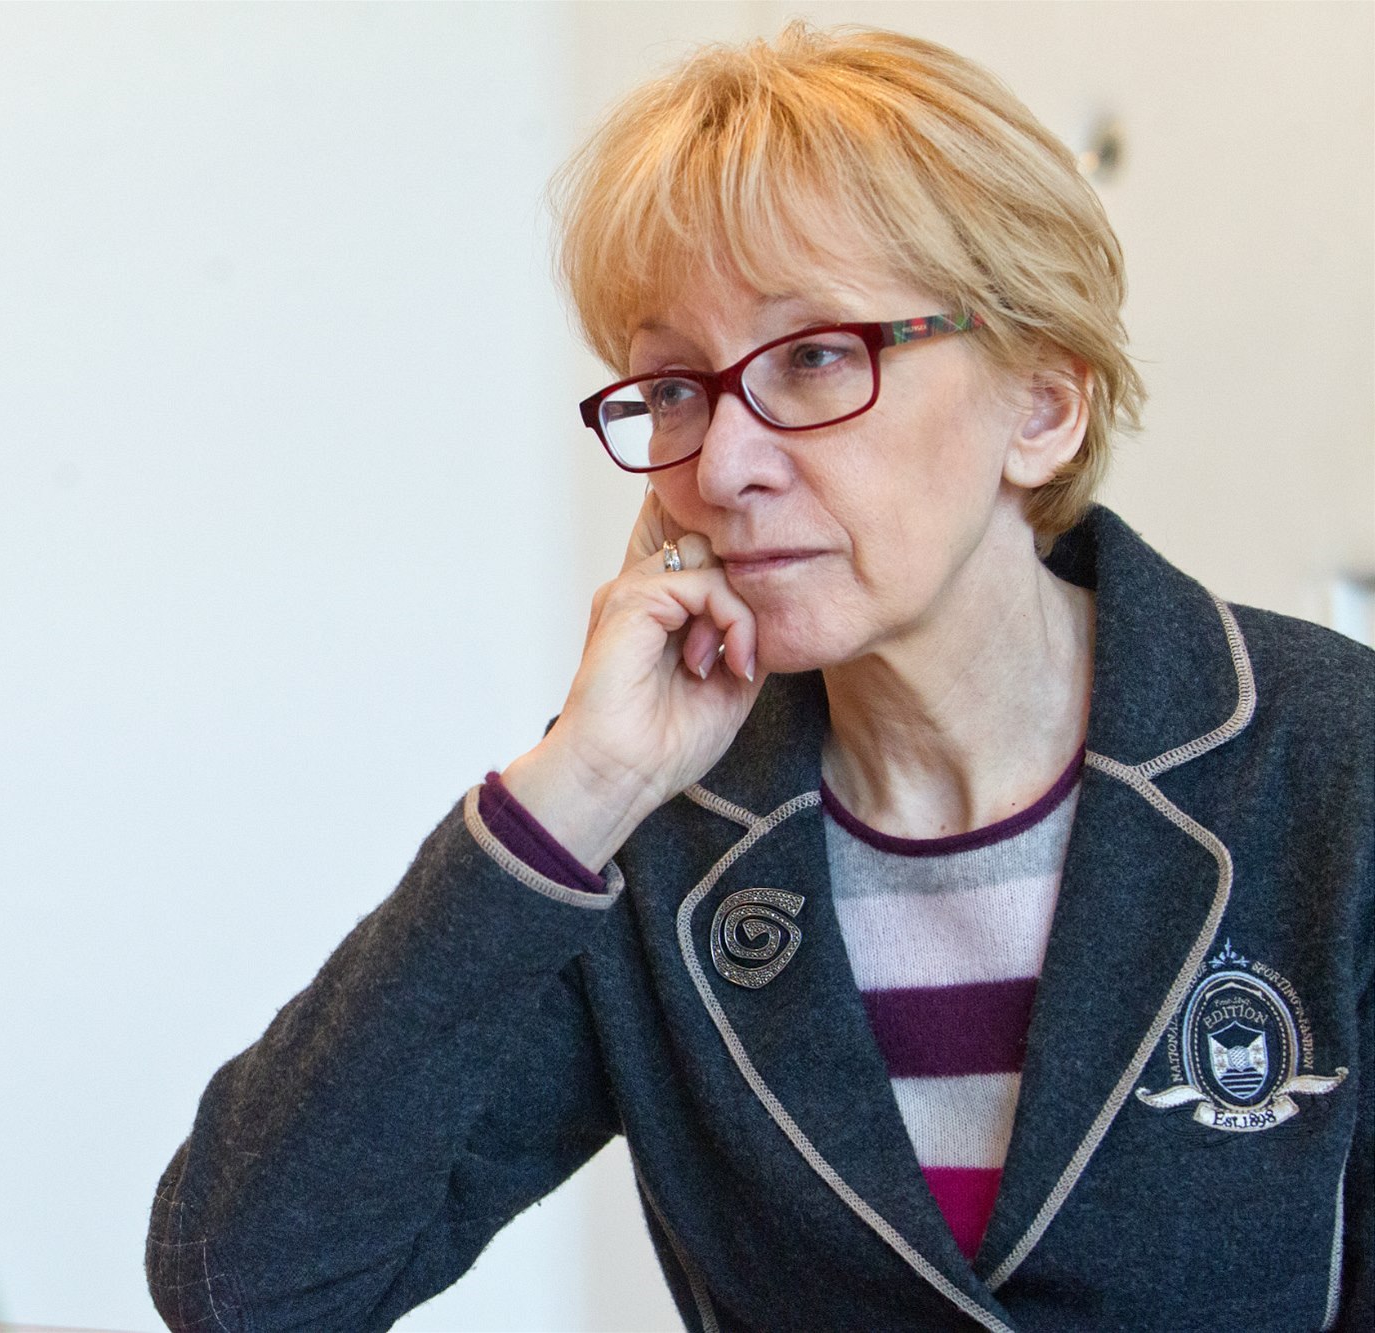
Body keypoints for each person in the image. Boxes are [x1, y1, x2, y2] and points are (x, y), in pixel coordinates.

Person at [146, 23, 1371, 1332]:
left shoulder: (1331, 761)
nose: (723, 466)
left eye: (815, 356)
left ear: (1042, 405)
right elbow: (251, 1288)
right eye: (675, 386)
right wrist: (582, 783)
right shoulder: (659, 823)